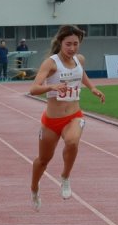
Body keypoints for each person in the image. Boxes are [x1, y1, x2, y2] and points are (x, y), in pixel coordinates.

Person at [28, 25, 104, 211]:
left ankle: (65, 177)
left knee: (72, 142)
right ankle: (34, 188)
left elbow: (81, 75)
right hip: (51, 121)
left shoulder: (79, 60)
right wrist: (51, 87)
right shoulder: (51, 63)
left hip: (73, 115)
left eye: (75, 44)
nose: (72, 48)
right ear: (60, 43)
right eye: (68, 44)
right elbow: (33, 89)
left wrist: (92, 88)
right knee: (43, 160)